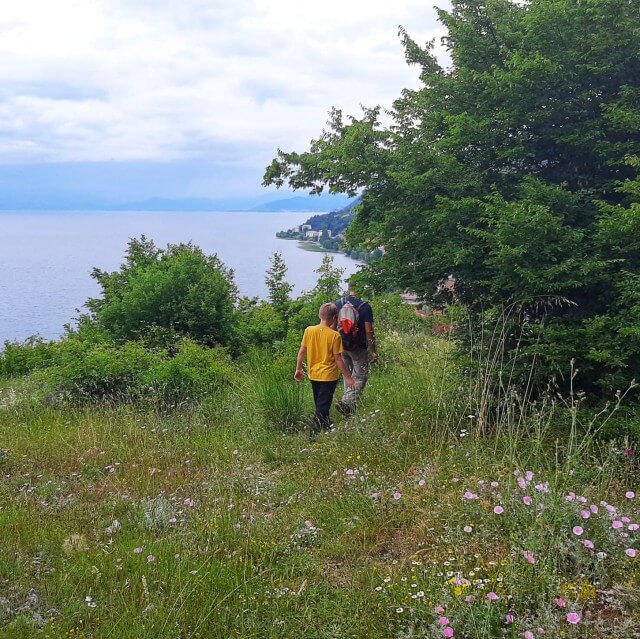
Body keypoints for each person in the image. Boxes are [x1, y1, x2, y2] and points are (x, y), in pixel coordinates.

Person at [294, 303, 355, 438]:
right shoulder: (334, 336)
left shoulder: (309, 330)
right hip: (328, 377)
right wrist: (349, 377)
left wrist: (298, 369)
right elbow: (338, 359)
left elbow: (302, 350)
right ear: (334, 318)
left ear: (319, 315)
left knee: (320, 403)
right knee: (322, 406)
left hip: (313, 374)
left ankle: (327, 426)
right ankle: (313, 435)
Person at [334, 281, 377, 415]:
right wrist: (373, 351)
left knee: (348, 375)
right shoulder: (364, 306)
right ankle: (346, 402)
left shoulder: (337, 304)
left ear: (348, 290)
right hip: (358, 347)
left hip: (341, 345)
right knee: (360, 376)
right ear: (359, 290)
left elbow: (333, 327)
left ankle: (349, 409)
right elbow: (369, 331)